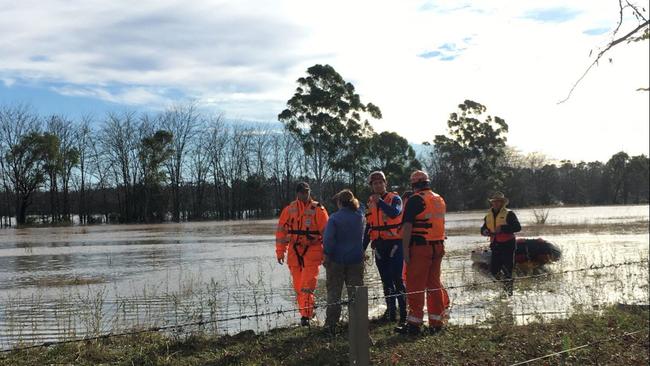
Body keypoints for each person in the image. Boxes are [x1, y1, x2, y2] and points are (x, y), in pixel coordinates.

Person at [395, 170, 449, 335]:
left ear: (414, 185)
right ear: (427, 182)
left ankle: (414, 324)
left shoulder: (415, 200)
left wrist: (405, 251)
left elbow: (407, 227)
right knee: (434, 285)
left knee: (415, 285)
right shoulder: (439, 199)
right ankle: (436, 322)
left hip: (420, 248)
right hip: (438, 246)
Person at [275, 182, 329, 326]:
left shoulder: (318, 210)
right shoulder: (289, 210)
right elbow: (281, 232)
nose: (304, 194)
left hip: (312, 251)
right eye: (302, 192)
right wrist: (280, 251)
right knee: (299, 287)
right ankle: (307, 312)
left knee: (307, 285)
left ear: (310, 192)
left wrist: (327, 253)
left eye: (306, 192)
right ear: (297, 193)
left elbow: (327, 234)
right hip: (294, 253)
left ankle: (306, 317)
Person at [363, 171, 406, 323]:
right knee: (386, 281)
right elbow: (369, 227)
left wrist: (380, 202)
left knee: (397, 279)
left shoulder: (395, 199)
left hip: (395, 244)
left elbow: (395, 213)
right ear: (371, 186)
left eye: (381, 182)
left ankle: (403, 313)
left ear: (385, 183)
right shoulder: (370, 203)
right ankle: (391, 313)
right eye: (375, 183)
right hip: (380, 246)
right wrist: (363, 248)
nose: (378, 185)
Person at [323, 189, 365, 334]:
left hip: (337, 260)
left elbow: (328, 239)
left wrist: (327, 254)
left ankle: (331, 326)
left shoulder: (334, 218)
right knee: (356, 293)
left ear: (340, 202)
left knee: (334, 293)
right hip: (356, 259)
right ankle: (359, 325)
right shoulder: (360, 216)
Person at [481, 191, 521, 296]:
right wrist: (484, 231)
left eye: (499, 202)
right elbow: (483, 228)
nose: (496, 203)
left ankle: (508, 293)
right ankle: (504, 286)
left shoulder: (509, 214)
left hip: (508, 245)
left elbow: (517, 227)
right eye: (495, 202)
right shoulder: (488, 215)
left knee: (508, 270)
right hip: (495, 245)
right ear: (492, 203)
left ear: (502, 203)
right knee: (494, 271)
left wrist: (503, 228)